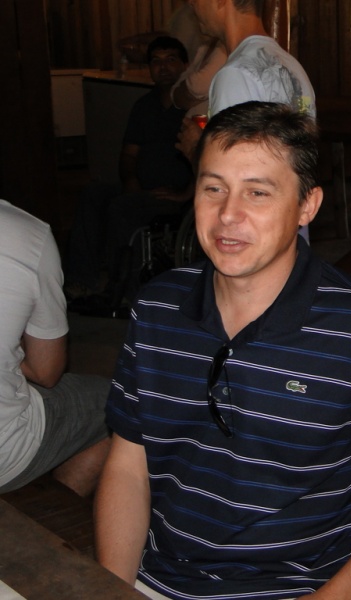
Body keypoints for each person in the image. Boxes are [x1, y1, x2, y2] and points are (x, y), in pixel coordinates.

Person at [94, 101, 351, 600]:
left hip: (302, 586)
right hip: (163, 577)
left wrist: (339, 596)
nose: (228, 215)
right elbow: (129, 464)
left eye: (257, 192)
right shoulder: (157, 307)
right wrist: (112, 590)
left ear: (307, 206)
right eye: (213, 188)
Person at [65, 36, 193, 308]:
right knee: (93, 193)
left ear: (185, 65)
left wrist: (185, 192)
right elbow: (129, 154)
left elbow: (207, 159)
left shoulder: (194, 108)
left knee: (122, 208)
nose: (163, 67)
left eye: (171, 60)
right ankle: (80, 280)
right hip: (141, 187)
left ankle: (122, 288)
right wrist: (130, 180)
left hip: (174, 195)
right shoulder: (143, 106)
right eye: (156, 61)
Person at [178, 0, 315, 242]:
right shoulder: (292, 66)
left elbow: (230, 179)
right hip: (290, 234)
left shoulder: (236, 74)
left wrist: (195, 150)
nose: (191, 3)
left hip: (250, 239)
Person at [0, 200, 110, 498]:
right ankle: (53, 509)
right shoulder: (28, 234)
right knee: (118, 402)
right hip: (5, 453)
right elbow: (45, 372)